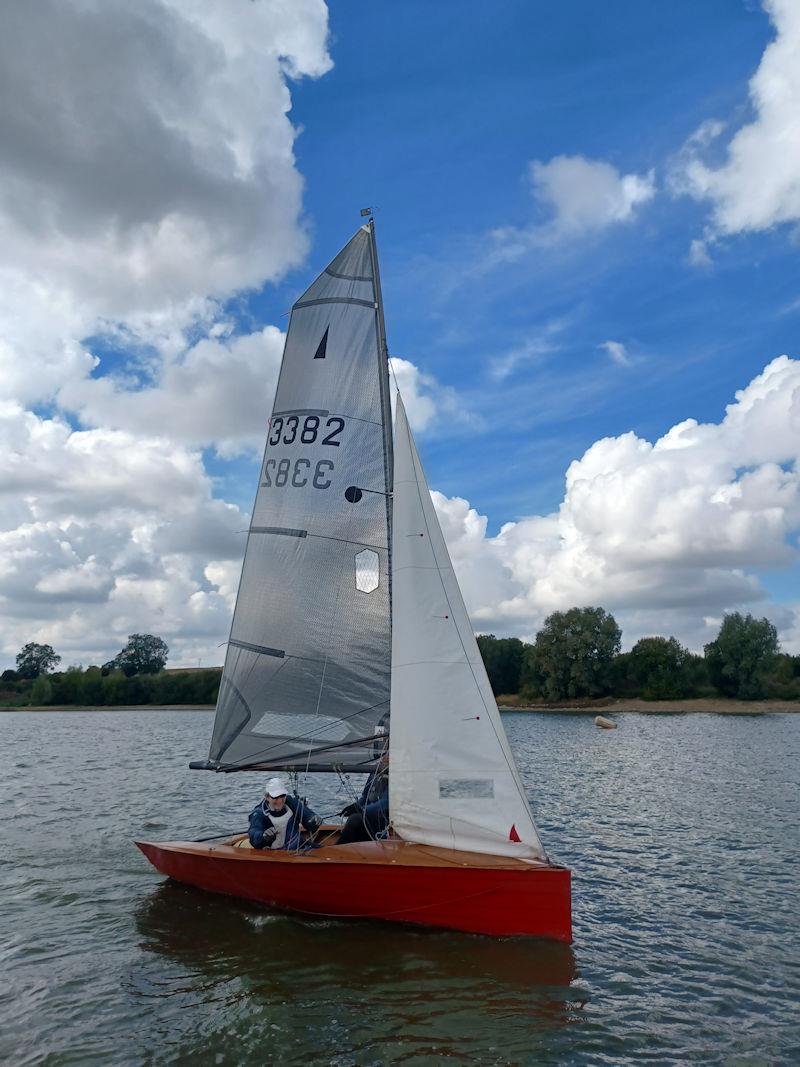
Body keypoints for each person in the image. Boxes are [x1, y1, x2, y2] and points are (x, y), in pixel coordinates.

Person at [248, 777, 322, 851]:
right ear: (267, 797)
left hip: (299, 846)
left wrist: (313, 820)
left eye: (282, 796)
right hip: (275, 855)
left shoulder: (291, 802)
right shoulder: (259, 813)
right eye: (275, 797)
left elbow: (307, 818)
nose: (280, 801)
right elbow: (254, 836)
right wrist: (263, 836)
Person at [337, 749, 389, 844]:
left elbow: (385, 803)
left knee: (355, 819)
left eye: (388, 754)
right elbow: (365, 797)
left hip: (384, 824)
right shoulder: (375, 770)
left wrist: (361, 810)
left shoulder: (397, 775)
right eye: (384, 754)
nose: (384, 756)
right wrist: (354, 806)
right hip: (368, 818)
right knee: (353, 818)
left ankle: (336, 851)